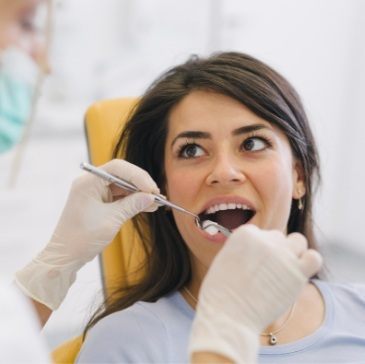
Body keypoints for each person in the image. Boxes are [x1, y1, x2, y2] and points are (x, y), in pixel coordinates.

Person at [15, 51, 364, 363]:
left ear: (298, 176)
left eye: (252, 143)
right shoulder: (124, 345)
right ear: (162, 190)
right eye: (192, 151)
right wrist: (52, 267)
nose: (224, 172)